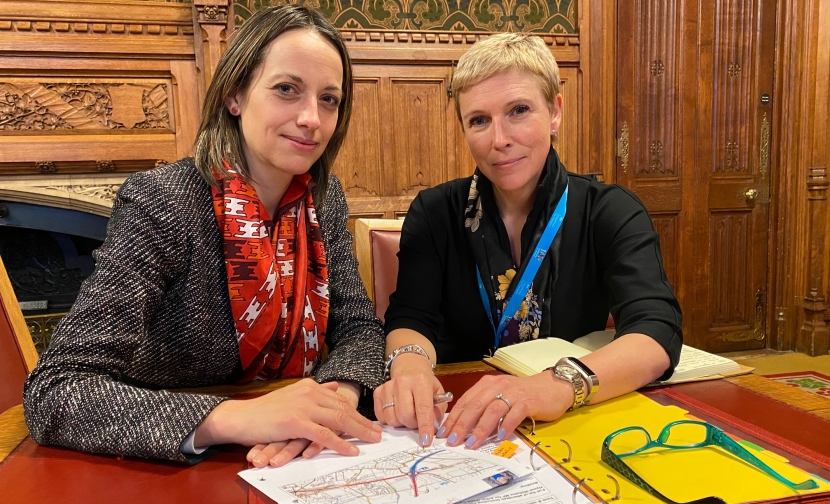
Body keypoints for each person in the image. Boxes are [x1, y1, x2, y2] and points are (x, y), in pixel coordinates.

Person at [23, 6, 385, 467]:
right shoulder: (164, 200)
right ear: (235, 95)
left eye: (329, 99)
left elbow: (358, 330)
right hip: (167, 468)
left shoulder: (324, 196)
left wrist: (334, 402)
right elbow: (56, 390)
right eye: (286, 90)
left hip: (294, 458)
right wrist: (236, 418)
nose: (312, 118)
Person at [375, 34, 682, 450]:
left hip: (570, 413)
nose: (499, 138)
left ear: (555, 111)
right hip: (456, 420)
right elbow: (411, 317)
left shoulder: (610, 210)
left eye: (519, 110)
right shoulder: (434, 211)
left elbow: (656, 330)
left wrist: (559, 384)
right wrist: (409, 365)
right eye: (479, 120)